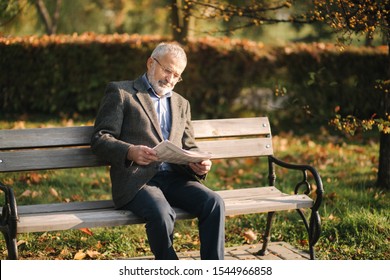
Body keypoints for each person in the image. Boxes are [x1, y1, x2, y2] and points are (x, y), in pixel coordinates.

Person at [91, 42, 225, 260]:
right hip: (137, 181)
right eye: (167, 70)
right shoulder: (122, 92)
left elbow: (189, 145)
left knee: (214, 202)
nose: (170, 79)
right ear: (151, 63)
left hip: (175, 177)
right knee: (162, 213)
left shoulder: (182, 104)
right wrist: (130, 151)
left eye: (177, 75)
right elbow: (100, 139)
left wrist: (199, 164)